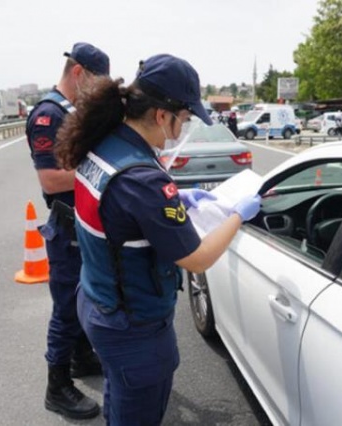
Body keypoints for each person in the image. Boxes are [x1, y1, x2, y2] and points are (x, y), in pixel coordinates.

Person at [55, 53, 261, 425]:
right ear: (162, 115)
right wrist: (236, 216)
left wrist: (178, 198)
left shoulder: (104, 145)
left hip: (97, 301)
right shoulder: (145, 179)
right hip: (133, 327)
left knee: (119, 396)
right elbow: (196, 259)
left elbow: (114, 208)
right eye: (184, 119)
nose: (182, 129)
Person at [25, 42, 110, 420]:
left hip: (83, 225)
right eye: (95, 83)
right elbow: (51, 179)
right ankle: (56, 386)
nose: (97, 93)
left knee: (81, 298)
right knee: (64, 308)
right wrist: (104, 175)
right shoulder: (48, 115)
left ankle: (80, 357)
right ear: (78, 73)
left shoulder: (72, 111)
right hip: (66, 226)